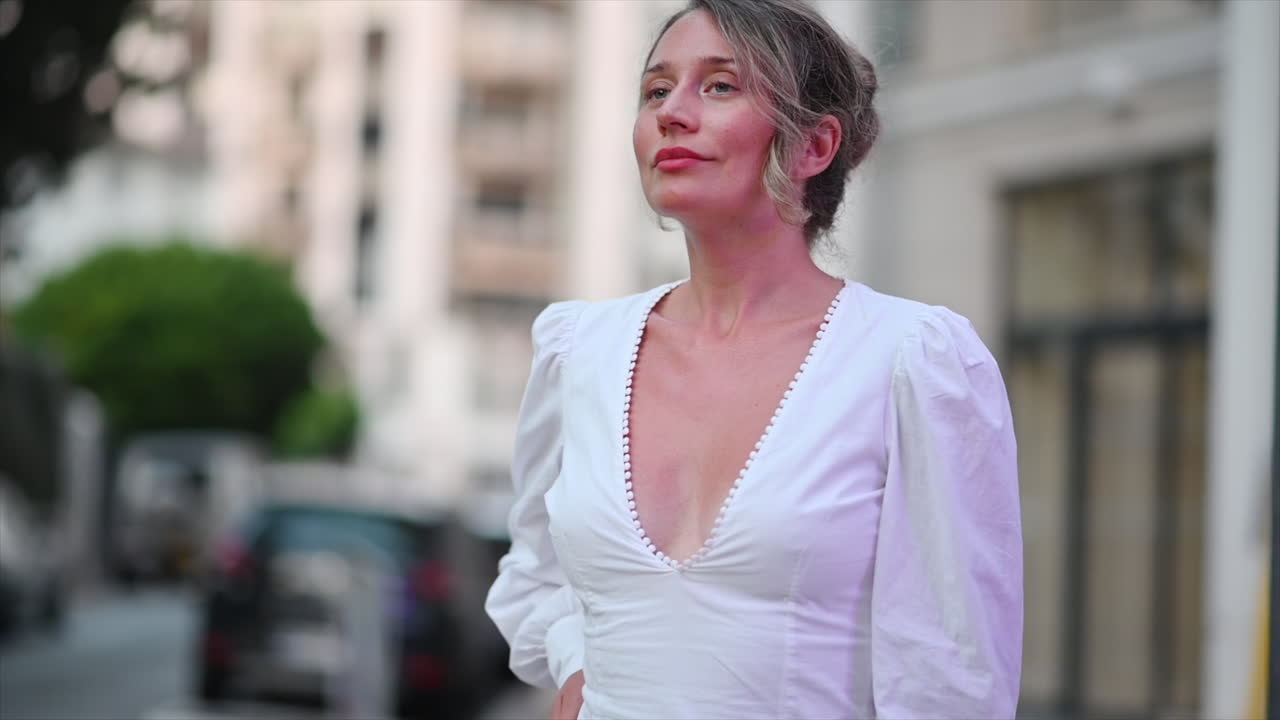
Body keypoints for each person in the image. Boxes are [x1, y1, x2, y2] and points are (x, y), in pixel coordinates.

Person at [484, 1, 1023, 718]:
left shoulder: (912, 362)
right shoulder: (579, 350)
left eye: (719, 86)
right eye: (655, 90)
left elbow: (952, 673)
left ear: (813, 146)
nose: (672, 113)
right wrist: (576, 661)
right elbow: (533, 573)